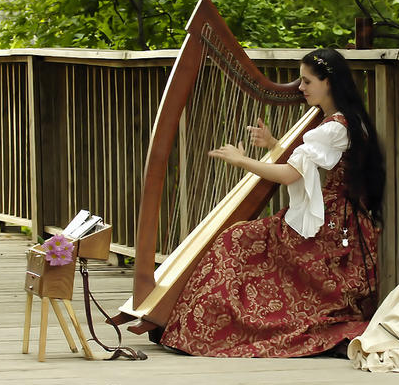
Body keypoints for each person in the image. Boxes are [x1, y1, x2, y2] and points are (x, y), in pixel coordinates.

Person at [158, 48, 386, 357]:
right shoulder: (343, 121)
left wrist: (243, 161)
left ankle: (215, 326)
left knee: (235, 239)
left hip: (328, 232)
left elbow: (291, 174)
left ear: (328, 83)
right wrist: (274, 144)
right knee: (240, 237)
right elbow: (309, 168)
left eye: (306, 82)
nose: (300, 88)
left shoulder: (332, 128)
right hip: (338, 222)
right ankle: (202, 321)